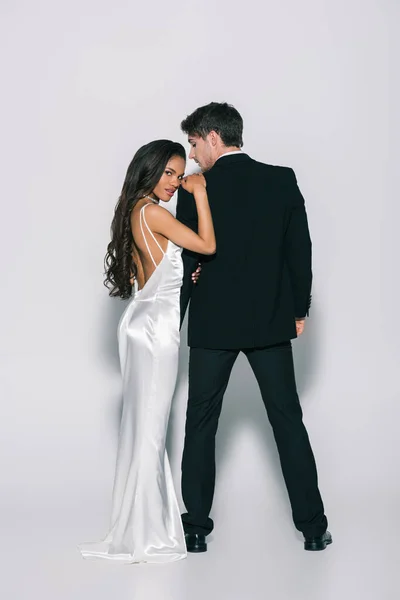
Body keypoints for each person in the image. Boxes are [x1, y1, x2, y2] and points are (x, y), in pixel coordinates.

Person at [176, 102, 331, 553]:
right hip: (269, 322)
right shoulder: (281, 180)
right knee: (288, 420)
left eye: (192, 144)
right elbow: (299, 253)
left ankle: (196, 528)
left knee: (200, 424)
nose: (192, 155)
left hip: (212, 325)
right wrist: (298, 311)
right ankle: (314, 529)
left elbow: (187, 261)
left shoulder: (193, 189)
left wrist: (177, 316)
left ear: (212, 137)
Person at [79, 140, 216, 564]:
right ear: (150, 169)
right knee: (151, 431)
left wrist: (182, 270)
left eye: (180, 174)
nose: (175, 182)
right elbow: (208, 246)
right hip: (157, 330)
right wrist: (201, 193)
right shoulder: (155, 212)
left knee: (140, 429)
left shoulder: (134, 209)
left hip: (138, 322)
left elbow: (162, 268)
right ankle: (145, 534)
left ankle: (134, 525)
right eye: (169, 173)